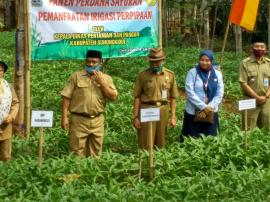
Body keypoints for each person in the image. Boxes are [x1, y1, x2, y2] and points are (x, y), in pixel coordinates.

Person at [61, 50, 117, 158]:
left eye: (94, 62)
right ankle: (76, 173)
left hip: (97, 120)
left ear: (100, 63)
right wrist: (64, 117)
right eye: (88, 61)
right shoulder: (76, 76)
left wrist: (102, 83)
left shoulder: (107, 78)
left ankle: (91, 173)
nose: (91, 64)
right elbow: (66, 97)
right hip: (79, 120)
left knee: (95, 153)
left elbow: (113, 97)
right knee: (76, 152)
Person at [133, 48, 178, 149]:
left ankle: (158, 163)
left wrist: (173, 117)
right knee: (145, 141)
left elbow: (173, 97)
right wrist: (135, 117)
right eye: (152, 62)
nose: (154, 64)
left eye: (157, 62)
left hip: (163, 110)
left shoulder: (170, 75)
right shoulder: (143, 75)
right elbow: (137, 97)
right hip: (147, 110)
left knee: (161, 141)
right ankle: (144, 162)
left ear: (163, 60)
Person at [181, 50, 224, 139]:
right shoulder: (192, 72)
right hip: (193, 111)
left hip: (211, 111)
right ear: (199, 60)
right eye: (202, 60)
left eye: (207, 60)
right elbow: (189, 91)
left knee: (210, 138)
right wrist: (203, 107)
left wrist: (209, 108)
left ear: (211, 61)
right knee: (191, 137)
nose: (204, 63)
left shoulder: (217, 74)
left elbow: (220, 93)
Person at [239, 36, 270, 130]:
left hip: (266, 101)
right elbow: (243, 83)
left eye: (262, 47)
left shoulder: (268, 63)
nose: (259, 49)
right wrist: (257, 98)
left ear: (265, 49)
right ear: (252, 48)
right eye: (257, 46)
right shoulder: (245, 63)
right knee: (248, 130)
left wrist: (266, 96)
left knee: (266, 129)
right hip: (250, 100)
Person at [0, 61, 19, 161]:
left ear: (3, 72)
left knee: (5, 156)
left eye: (0, 70)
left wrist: (11, 116)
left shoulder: (9, 86)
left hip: (6, 125)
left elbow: (15, 103)